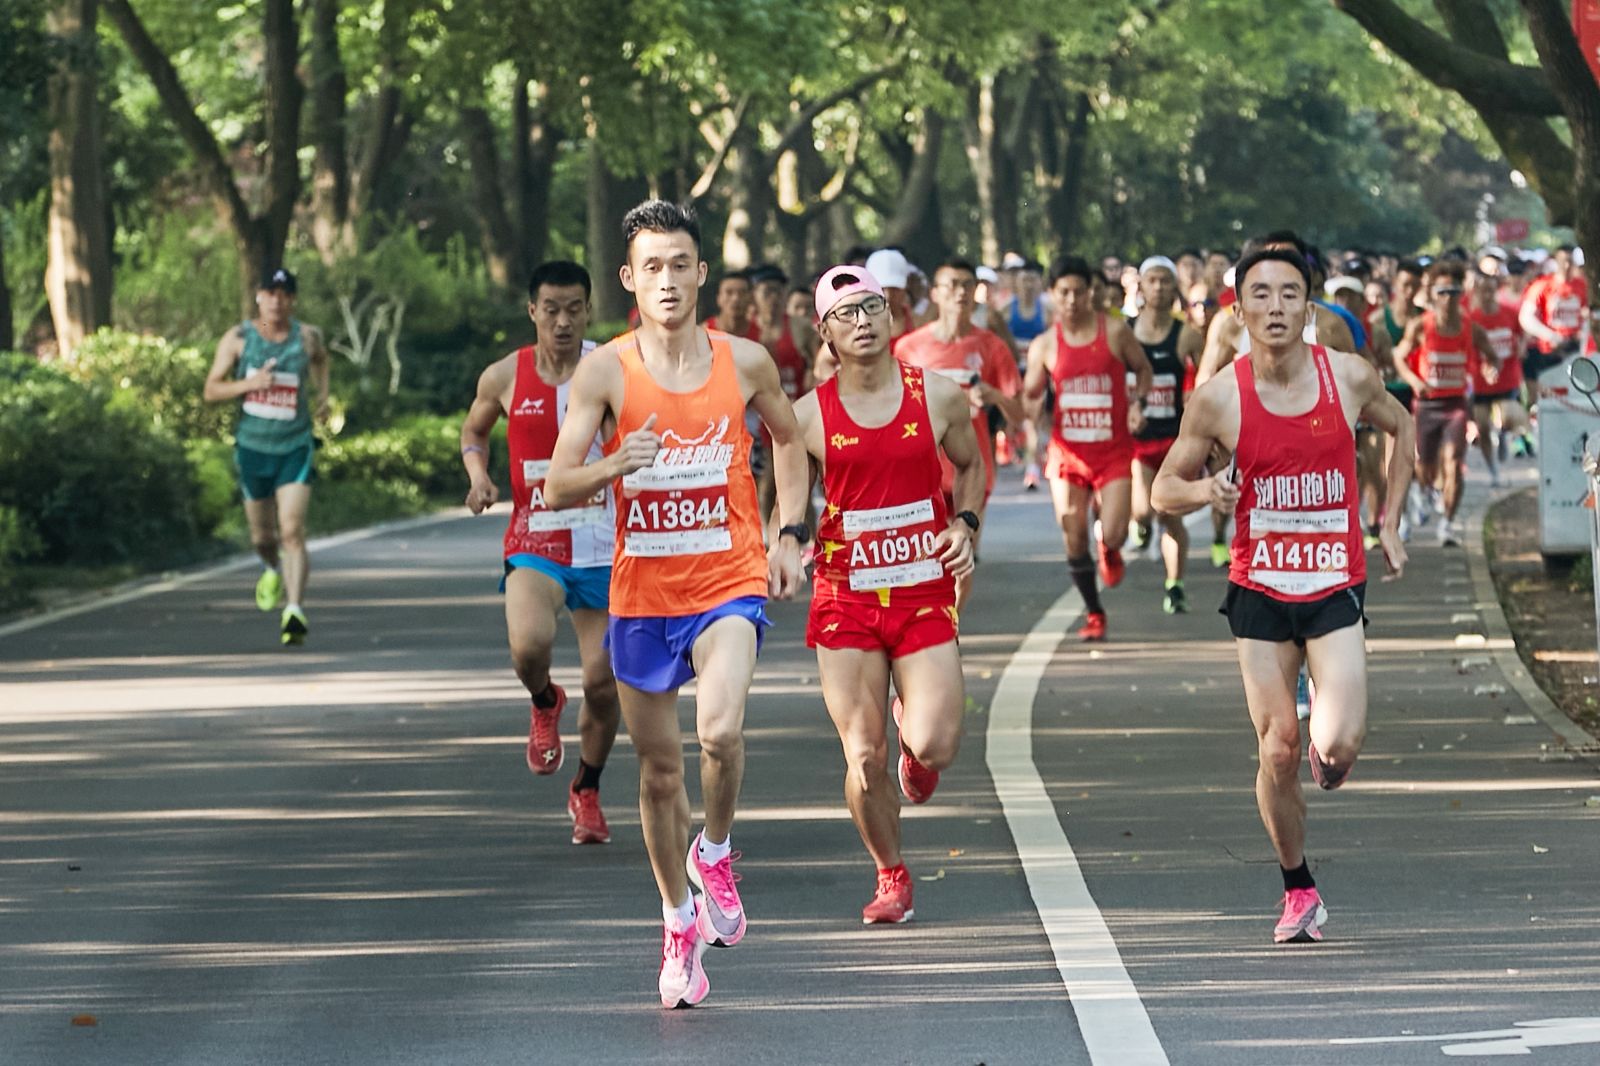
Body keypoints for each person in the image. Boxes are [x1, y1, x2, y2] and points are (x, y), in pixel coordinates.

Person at [542, 200, 807, 1010]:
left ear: (701, 273)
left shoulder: (748, 360)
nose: (666, 278)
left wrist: (788, 532)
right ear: (631, 278)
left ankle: (717, 850)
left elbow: (790, 441)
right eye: (650, 266)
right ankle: (677, 917)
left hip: (728, 580)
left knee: (719, 732)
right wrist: (615, 460)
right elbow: (557, 483)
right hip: (642, 594)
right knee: (660, 774)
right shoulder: (605, 371)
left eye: (679, 263)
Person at [1150, 246, 1415, 945]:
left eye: (1289, 294)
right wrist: (1209, 488)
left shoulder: (1350, 377)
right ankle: (1298, 888)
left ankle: (1330, 744)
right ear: (1239, 309)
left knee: (1338, 744)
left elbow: (1402, 427)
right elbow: (1162, 489)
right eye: (1260, 295)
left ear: (1309, 307)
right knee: (1278, 750)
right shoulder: (1219, 398)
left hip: (1332, 581)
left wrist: (1388, 522)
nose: (1275, 307)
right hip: (1260, 587)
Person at [795, 264, 984, 924]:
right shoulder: (804, 419)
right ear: (825, 334)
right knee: (862, 754)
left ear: (893, 315)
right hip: (844, 596)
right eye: (846, 313)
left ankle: (915, 747)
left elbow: (971, 466)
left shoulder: (937, 395)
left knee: (935, 745)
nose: (863, 320)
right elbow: (787, 504)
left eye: (873, 306)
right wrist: (785, 546)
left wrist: (965, 522)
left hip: (921, 589)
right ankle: (890, 873)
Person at [459, 260, 622, 845]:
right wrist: (478, 475)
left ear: (588, 310)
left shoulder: (614, 368)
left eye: (574, 309)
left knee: (605, 683)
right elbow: (474, 431)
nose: (562, 321)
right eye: (550, 309)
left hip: (604, 544)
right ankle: (544, 698)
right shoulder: (505, 375)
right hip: (536, 539)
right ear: (532, 311)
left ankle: (587, 788)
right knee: (529, 647)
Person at [1023, 255, 1153, 642]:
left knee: (1113, 533)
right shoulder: (1045, 345)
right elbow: (1031, 392)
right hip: (1067, 455)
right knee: (1072, 533)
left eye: (1080, 291)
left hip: (1112, 452)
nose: (1073, 299)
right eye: (1064, 292)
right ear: (1053, 295)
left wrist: (1138, 404)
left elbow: (1143, 371)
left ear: (1091, 293)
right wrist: (1028, 407)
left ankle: (1109, 549)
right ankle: (1095, 612)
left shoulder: (1114, 332)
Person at [203, 267, 330, 646]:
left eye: (283, 293)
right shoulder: (239, 339)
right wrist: (250, 384)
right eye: (269, 292)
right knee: (262, 535)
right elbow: (211, 389)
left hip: (295, 447)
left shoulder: (306, 337)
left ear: (292, 300)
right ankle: (271, 567)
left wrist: (323, 396)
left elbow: (322, 360)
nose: (276, 300)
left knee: (291, 530)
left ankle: (294, 610)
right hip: (253, 448)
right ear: (258, 296)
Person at [894, 259, 1025, 609]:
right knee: (921, 560)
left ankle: (947, 630)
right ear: (936, 293)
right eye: (951, 285)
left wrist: (994, 396)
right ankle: (923, 632)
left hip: (972, 467)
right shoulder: (908, 348)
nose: (960, 292)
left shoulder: (991, 346)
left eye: (967, 285)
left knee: (960, 563)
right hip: (921, 471)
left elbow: (1019, 410)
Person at [1393, 259, 1497, 546]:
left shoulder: (1470, 328)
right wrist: (1414, 381)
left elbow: (1492, 355)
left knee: (1454, 463)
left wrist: (1491, 368)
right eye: (1442, 292)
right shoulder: (1420, 326)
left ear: (1460, 294)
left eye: (1453, 292)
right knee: (1423, 467)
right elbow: (1399, 357)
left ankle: (1447, 525)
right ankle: (1421, 494)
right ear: (1432, 294)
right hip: (1427, 405)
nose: (1448, 299)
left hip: (1456, 405)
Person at [1127, 257, 1203, 614]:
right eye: (1152, 281)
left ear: (1175, 288)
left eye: (1165, 281)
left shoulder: (1185, 333)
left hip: (1174, 438)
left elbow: (1208, 376)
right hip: (1138, 438)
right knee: (1143, 509)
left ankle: (1175, 585)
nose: (1158, 287)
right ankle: (1139, 526)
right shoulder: (1124, 332)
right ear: (1140, 286)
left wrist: (1196, 402)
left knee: (1170, 514)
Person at [1466, 267, 1533, 483]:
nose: (1486, 295)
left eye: (1490, 291)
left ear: (1496, 291)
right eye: (1482, 291)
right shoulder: (1472, 319)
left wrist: (1521, 347)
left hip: (1508, 377)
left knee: (1507, 417)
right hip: (1481, 380)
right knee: (1483, 427)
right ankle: (1493, 469)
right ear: (1476, 292)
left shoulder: (1508, 312)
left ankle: (1504, 434)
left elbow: (1522, 334)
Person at [1519, 244, 1590, 383]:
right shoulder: (1542, 285)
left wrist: (1584, 330)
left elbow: (1587, 314)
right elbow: (1525, 317)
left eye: (1570, 261)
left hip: (1576, 348)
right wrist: (1551, 336)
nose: (1567, 265)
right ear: (1556, 261)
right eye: (1563, 261)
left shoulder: (1582, 285)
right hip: (1550, 349)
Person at [864, 248, 918, 346]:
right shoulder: (858, 327)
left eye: (895, 289)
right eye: (882, 289)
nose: (888, 296)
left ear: (906, 287)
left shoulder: (919, 324)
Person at [705, 269, 760, 341]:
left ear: (750, 298)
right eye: (729, 292)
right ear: (718, 298)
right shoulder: (704, 333)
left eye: (742, 293)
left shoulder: (761, 336)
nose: (735, 299)